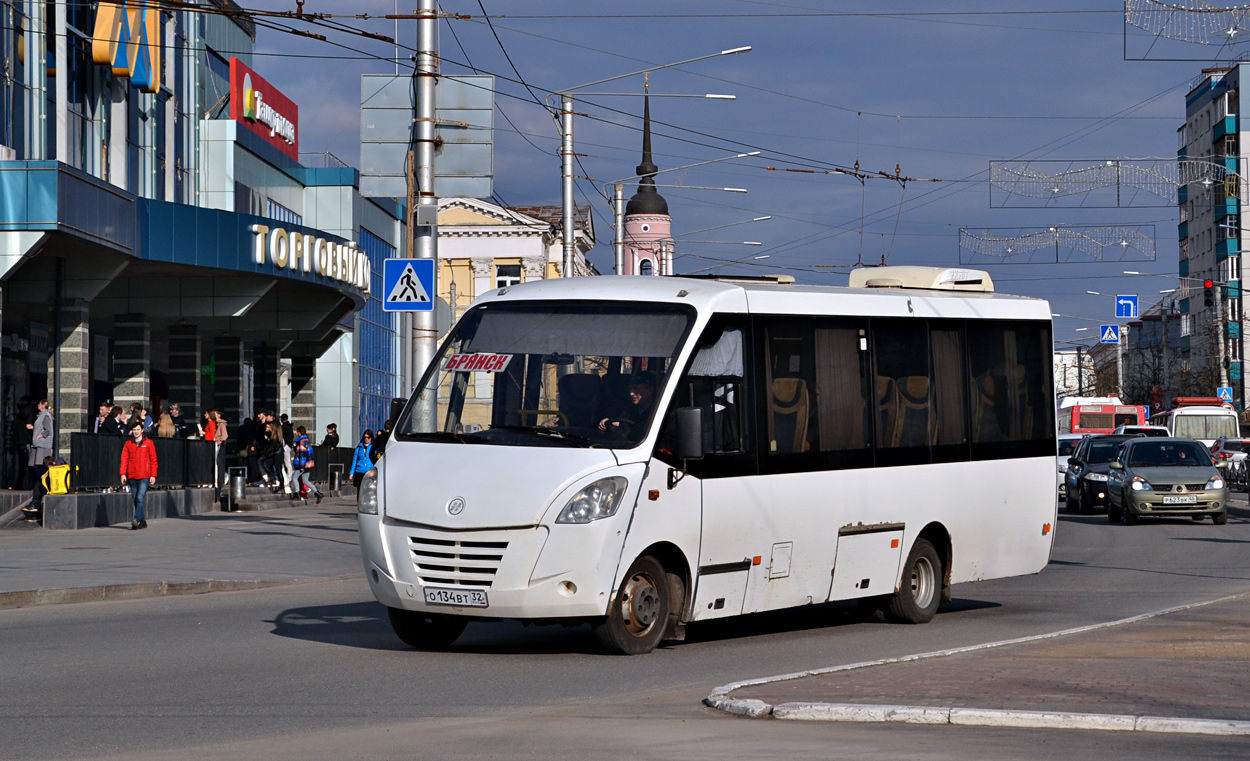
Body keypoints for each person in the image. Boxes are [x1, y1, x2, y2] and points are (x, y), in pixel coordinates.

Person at [120, 419, 158, 530]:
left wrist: (153, 475)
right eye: (134, 430)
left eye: (138, 430)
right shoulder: (128, 444)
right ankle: (142, 521)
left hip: (144, 476)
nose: (136, 432)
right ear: (131, 431)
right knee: (136, 498)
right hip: (132, 475)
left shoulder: (149, 443)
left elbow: (153, 460)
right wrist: (123, 474)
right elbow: (124, 460)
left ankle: (136, 519)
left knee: (140, 497)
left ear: (142, 430)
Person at [27, 399, 53, 502]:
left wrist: (41, 436)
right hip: (37, 444)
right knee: (35, 466)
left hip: (42, 444)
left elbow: (47, 429)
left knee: (40, 465)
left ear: (43, 405)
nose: (37, 405)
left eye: (39, 403)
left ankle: (41, 487)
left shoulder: (46, 415)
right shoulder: (41, 415)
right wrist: (33, 428)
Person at [291, 425, 322, 504]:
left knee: (294, 478)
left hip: (303, 464)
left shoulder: (301, 442)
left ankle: (297, 494)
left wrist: (301, 466)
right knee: (305, 480)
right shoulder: (307, 441)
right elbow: (309, 454)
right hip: (308, 464)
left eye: (297, 432)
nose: (296, 433)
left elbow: (302, 455)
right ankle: (317, 493)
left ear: (299, 432)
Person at [212, 410, 228, 492]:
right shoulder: (217, 424)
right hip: (216, 444)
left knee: (216, 460)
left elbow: (225, 436)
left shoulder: (221, 424)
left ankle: (225, 475)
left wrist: (219, 441)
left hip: (218, 444)